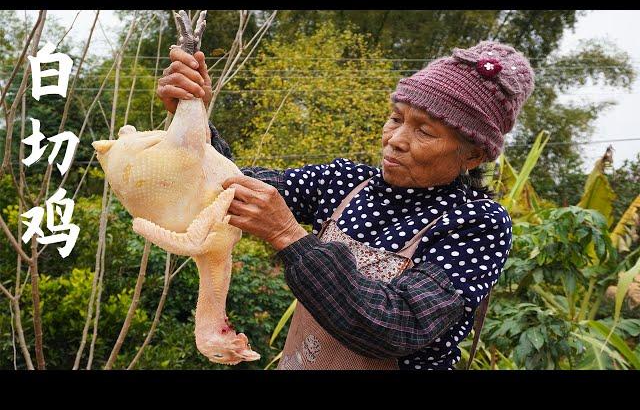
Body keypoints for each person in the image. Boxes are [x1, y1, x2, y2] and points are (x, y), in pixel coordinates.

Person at [157, 40, 535, 370]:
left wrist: (288, 236)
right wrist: (191, 115)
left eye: (424, 131)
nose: (395, 140)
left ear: (472, 156)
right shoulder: (346, 184)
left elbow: (396, 326)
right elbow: (224, 184)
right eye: (395, 119)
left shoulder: (477, 223)